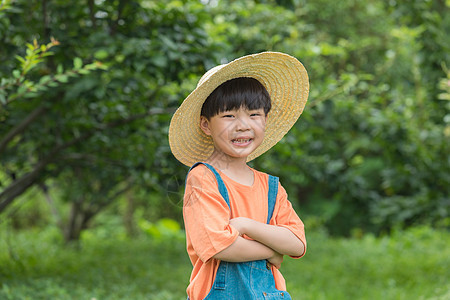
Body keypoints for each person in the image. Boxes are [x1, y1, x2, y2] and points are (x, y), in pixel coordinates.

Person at [168, 52, 309, 300]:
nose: (243, 125)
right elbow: (218, 245)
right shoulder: (204, 178)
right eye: (229, 115)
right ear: (205, 125)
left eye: (254, 114)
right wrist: (271, 252)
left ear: (266, 120)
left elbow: (297, 243)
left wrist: (245, 225)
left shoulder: (271, 187)